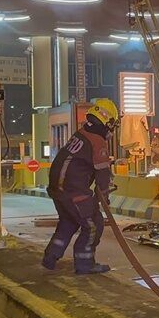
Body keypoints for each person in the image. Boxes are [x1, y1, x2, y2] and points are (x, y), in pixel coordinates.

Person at [42, 98, 119, 274]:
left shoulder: (80, 135)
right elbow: (102, 174)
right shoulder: (97, 141)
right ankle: (85, 264)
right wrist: (104, 196)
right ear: (108, 122)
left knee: (69, 222)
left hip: (58, 190)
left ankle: (51, 256)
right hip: (74, 192)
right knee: (94, 224)